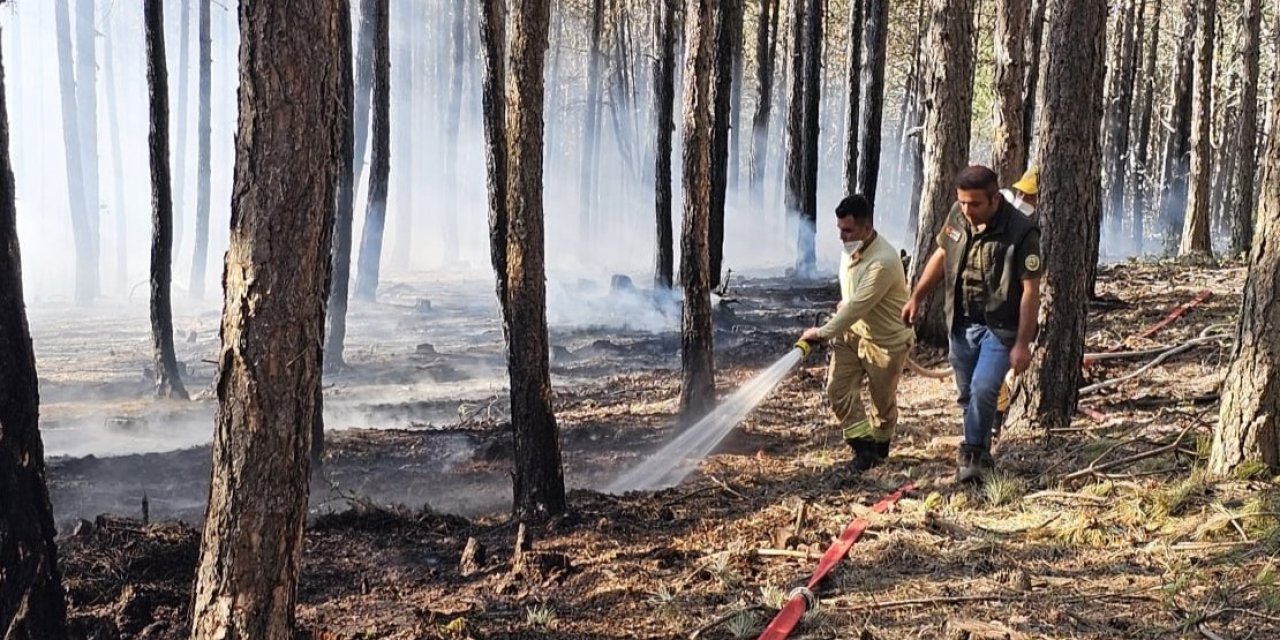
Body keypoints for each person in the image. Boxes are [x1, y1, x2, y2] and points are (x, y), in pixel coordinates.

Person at [901, 165, 1043, 483]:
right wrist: (917, 297)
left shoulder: (1022, 232)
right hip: (961, 323)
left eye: (975, 204)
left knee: (984, 387)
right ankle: (978, 450)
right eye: (963, 202)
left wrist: (1022, 343)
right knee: (968, 394)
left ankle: (974, 455)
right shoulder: (958, 216)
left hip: (1000, 328)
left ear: (994, 199)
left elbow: (1031, 291)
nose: (967, 210)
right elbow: (942, 255)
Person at [799, 195, 915, 472]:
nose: (842, 236)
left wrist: (822, 333)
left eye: (848, 230)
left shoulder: (883, 261)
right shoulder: (851, 248)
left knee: (882, 405)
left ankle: (880, 450)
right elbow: (852, 299)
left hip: (885, 342)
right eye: (839, 229)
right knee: (837, 389)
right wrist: (845, 303)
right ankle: (863, 449)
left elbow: (859, 306)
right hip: (851, 335)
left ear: (867, 228)